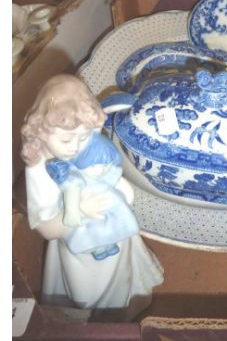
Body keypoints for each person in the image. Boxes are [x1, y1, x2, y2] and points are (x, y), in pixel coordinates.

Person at [21, 74, 164, 317]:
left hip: (115, 231)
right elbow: (45, 228)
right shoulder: (40, 170)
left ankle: (128, 305)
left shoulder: (89, 144)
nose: (76, 147)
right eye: (66, 139)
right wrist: (77, 210)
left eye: (84, 136)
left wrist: (118, 188)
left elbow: (108, 171)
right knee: (89, 293)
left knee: (123, 274)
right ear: (42, 131)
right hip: (81, 250)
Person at [45, 131, 140, 261]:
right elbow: (70, 205)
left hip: (110, 207)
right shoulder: (75, 180)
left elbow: (116, 180)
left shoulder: (106, 173)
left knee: (112, 227)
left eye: (105, 165)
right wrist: (78, 209)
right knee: (92, 232)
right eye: (94, 166)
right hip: (87, 213)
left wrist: (126, 195)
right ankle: (98, 248)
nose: (100, 170)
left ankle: (111, 241)